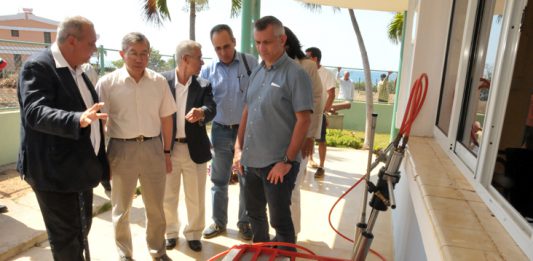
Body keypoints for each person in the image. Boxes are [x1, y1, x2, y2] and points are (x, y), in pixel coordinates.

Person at [17, 16, 109, 260]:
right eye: (91, 43)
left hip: (79, 170)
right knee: (66, 240)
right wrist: (77, 119)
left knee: (81, 231)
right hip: (53, 173)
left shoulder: (78, 69)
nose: (94, 49)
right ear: (71, 41)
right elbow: (35, 112)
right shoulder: (38, 67)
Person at [234, 16, 313, 249]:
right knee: (255, 216)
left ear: (282, 39)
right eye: (257, 43)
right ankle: (262, 254)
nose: (261, 49)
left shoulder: (296, 74)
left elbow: (304, 120)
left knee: (280, 222)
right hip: (251, 162)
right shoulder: (258, 71)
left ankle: (286, 255)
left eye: (267, 42)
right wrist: (238, 150)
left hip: (277, 165)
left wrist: (287, 161)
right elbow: (247, 111)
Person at [96, 32, 175, 261]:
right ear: (122, 54)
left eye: (144, 54)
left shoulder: (158, 82)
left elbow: (167, 118)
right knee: (121, 210)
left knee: (156, 208)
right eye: (134, 53)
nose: (139, 58)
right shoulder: (107, 83)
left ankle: (158, 251)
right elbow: (100, 123)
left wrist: (166, 152)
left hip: (153, 148)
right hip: (121, 150)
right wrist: (102, 158)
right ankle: (125, 256)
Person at [200, 24, 256, 241]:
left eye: (226, 46)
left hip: (246, 132)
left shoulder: (250, 63)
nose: (223, 52)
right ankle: (219, 222)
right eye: (217, 48)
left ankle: (244, 222)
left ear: (234, 41)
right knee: (219, 180)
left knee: (246, 180)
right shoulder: (208, 70)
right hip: (220, 130)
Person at [162, 40, 216, 252]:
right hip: (168, 148)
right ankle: (171, 233)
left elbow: (211, 107)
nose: (202, 62)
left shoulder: (204, 84)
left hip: (195, 149)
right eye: (199, 57)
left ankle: (193, 233)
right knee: (168, 195)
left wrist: (202, 112)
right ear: (185, 59)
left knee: (195, 196)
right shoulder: (162, 81)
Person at [283, 26, 323, 237]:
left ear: (286, 43)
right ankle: (281, 234)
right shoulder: (272, 66)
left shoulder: (307, 66)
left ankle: (291, 237)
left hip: (300, 138)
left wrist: (310, 137)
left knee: (292, 189)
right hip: (277, 140)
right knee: (277, 192)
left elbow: (317, 101)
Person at [306, 47, 337, 179]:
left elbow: (331, 94)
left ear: (315, 59)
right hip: (306, 113)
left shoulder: (327, 74)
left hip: (319, 114)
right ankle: (309, 161)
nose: (305, 60)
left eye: (308, 57)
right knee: (308, 138)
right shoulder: (305, 72)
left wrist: (324, 111)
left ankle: (321, 167)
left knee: (321, 140)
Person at [81, 62, 111, 192]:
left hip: (92, 115)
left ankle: (105, 181)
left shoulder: (86, 68)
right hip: (82, 119)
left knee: (98, 150)